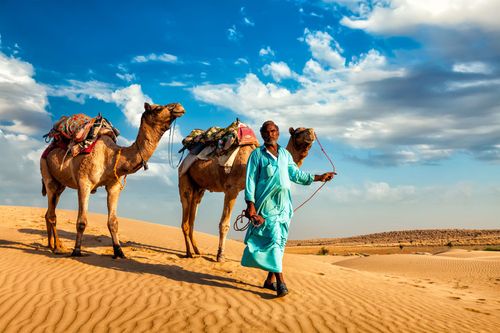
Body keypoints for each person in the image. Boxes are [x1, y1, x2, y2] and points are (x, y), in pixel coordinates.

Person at [241, 120, 334, 297]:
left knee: (280, 242)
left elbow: (296, 174)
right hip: (266, 205)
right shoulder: (257, 156)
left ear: (278, 133)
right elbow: (250, 180)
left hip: (284, 206)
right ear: (262, 134)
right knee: (275, 239)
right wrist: (250, 205)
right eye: (266, 132)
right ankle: (281, 283)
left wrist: (319, 177)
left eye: (273, 131)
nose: (270, 134)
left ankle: (269, 281)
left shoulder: (284, 154)